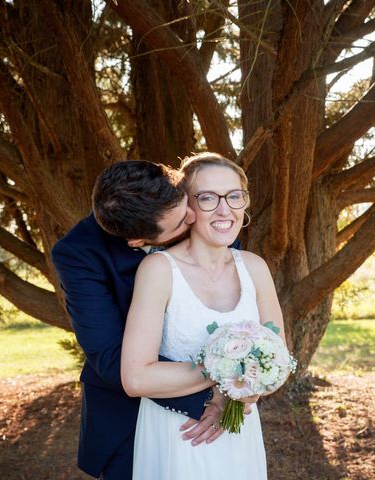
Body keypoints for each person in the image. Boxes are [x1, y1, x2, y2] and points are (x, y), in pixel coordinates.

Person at [51, 160, 230, 479]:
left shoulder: (193, 210)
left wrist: (227, 395)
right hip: (126, 420)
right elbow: (111, 358)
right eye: (178, 223)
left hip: (217, 413)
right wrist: (218, 378)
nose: (194, 218)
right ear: (137, 242)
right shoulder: (78, 254)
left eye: (185, 204)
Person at [121, 152, 287, 479]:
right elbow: (135, 378)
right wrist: (226, 371)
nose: (225, 209)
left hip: (240, 433)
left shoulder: (255, 267)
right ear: (187, 208)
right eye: (208, 198)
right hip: (179, 435)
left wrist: (244, 393)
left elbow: (279, 361)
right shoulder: (158, 270)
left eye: (235, 196)